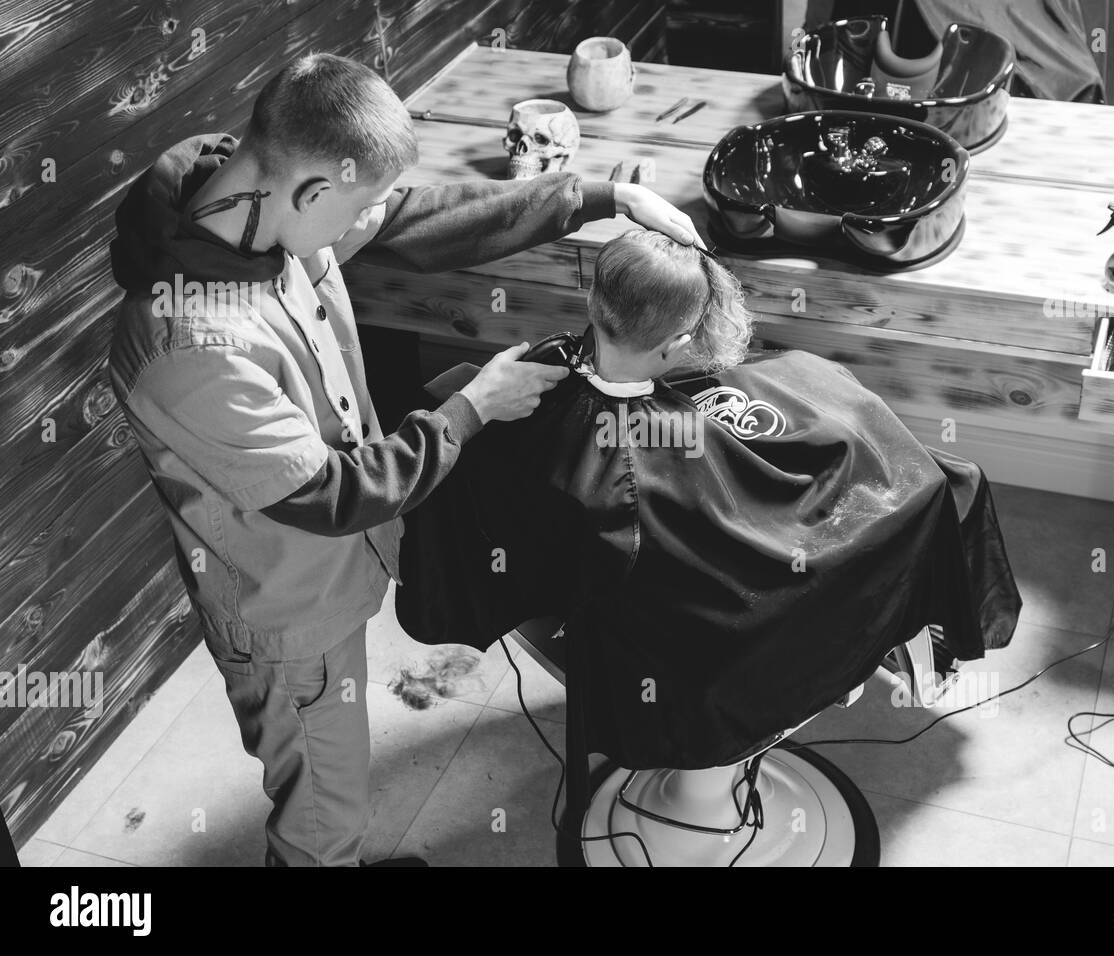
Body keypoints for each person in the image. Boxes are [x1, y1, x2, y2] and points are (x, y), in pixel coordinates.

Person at [107, 54, 703, 867]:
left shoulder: (256, 196)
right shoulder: (193, 346)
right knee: (321, 803)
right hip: (286, 616)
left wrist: (600, 196)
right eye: (355, 205)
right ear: (315, 189)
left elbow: (414, 218)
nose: (366, 223)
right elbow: (332, 492)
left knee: (335, 776)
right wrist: (470, 409)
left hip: (328, 577)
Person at [401, 228, 1022, 771]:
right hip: (683, 660)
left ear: (595, 300)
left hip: (589, 610)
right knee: (932, 487)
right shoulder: (632, 477)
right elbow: (741, 557)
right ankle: (901, 639)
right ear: (676, 345)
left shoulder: (514, 385)